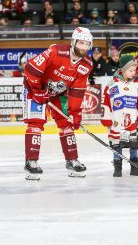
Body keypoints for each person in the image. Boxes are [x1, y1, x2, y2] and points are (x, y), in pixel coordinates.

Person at [22, 27, 94, 180]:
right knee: (35, 122)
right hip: (35, 88)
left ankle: (72, 160)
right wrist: (38, 91)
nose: (83, 47)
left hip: (57, 93)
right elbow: (30, 68)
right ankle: (31, 162)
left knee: (67, 123)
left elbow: (77, 91)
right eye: (81, 43)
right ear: (73, 42)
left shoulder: (86, 65)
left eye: (87, 44)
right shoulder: (55, 51)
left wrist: (75, 113)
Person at [101, 55, 138, 177]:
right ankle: (117, 168)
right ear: (122, 70)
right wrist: (106, 118)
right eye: (131, 70)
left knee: (133, 144)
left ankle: (134, 167)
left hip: (132, 120)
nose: (134, 73)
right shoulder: (112, 84)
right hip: (116, 122)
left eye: (135, 70)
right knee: (117, 144)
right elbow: (105, 102)